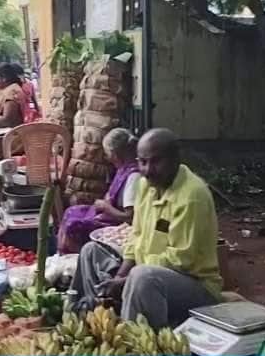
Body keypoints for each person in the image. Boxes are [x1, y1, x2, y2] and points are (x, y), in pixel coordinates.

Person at [70, 128, 223, 329]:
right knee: (91, 252)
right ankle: (93, 320)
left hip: (195, 284)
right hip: (145, 270)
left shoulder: (192, 196)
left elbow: (181, 260)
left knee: (143, 277)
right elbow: (136, 237)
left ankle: (135, 344)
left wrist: (125, 281)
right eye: (142, 162)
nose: (148, 169)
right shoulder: (145, 186)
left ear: (175, 159)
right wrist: (119, 276)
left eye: (156, 161)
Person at [58, 128, 140, 254]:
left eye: (107, 153)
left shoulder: (134, 177)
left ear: (114, 155)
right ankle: (61, 256)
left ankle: (80, 257)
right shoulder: (123, 169)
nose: (106, 157)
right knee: (71, 211)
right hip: (111, 213)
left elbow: (130, 217)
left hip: (120, 223)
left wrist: (106, 207)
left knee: (73, 226)